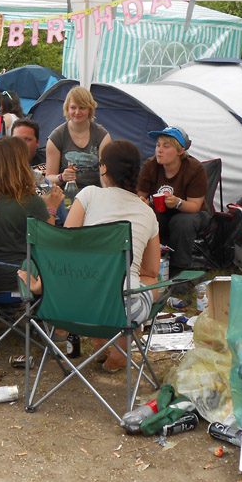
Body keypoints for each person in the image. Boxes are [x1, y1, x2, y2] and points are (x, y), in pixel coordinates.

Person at [61, 139, 162, 373]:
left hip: (74, 307)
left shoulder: (88, 195)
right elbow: (151, 270)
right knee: (149, 281)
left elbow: (65, 245)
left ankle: (100, 342)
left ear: (104, 168)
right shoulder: (146, 213)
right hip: (122, 312)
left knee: (90, 275)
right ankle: (119, 353)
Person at [0, 137, 64, 295]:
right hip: (18, 279)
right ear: (21, 165)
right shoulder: (30, 202)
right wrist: (51, 208)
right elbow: (48, 247)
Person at [136, 125, 210, 279]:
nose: (159, 150)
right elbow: (140, 196)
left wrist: (177, 203)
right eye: (157, 145)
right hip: (162, 212)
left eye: (166, 146)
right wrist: (142, 202)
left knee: (182, 221)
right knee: (147, 217)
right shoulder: (151, 165)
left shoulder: (194, 169)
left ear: (180, 151)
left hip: (194, 213)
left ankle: (179, 273)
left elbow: (195, 206)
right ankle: (144, 265)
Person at [45, 85, 111, 188]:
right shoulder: (56, 137)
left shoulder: (102, 136)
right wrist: (62, 177)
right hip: (67, 194)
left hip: (94, 192)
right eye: (73, 107)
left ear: (90, 109)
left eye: (82, 108)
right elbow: (48, 178)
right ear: (67, 109)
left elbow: (105, 175)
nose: (77, 112)